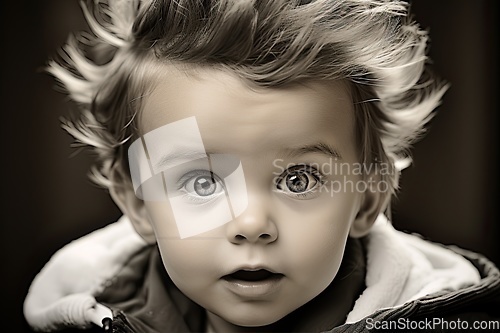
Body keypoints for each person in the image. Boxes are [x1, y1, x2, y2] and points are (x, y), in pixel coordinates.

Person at [23, 0, 500, 332]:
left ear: (368, 198)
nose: (252, 224)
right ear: (138, 204)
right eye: (203, 181)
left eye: (299, 179)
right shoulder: (86, 313)